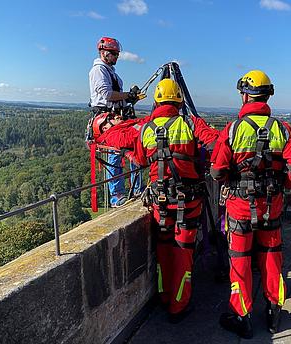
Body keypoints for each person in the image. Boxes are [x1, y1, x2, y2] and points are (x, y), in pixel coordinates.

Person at [210, 70, 291, 338]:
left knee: (240, 260)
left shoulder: (233, 129)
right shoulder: (283, 129)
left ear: (245, 95)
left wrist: (234, 177)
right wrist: (282, 185)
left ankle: (242, 316)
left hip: (240, 206)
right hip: (272, 205)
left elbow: (217, 171)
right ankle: (274, 311)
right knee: (272, 257)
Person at [136, 78, 219, 323]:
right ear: (179, 100)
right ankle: (178, 305)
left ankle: (164, 296)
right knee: (183, 252)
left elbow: (140, 160)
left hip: (159, 203)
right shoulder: (190, 123)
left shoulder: (146, 128)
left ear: (156, 100)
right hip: (187, 202)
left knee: (163, 249)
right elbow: (215, 143)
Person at [88, 36, 139, 207]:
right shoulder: (98, 71)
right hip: (105, 119)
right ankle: (116, 195)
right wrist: (127, 95)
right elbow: (107, 95)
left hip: (115, 115)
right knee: (116, 151)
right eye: (114, 54)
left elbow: (115, 97)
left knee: (137, 142)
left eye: (117, 54)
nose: (117, 57)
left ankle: (136, 188)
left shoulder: (109, 71)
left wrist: (131, 98)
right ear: (104, 52)